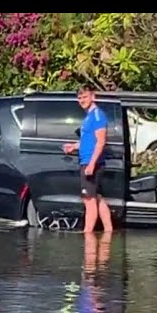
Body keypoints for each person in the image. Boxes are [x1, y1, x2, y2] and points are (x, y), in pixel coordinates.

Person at [63, 85, 113, 233]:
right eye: (79, 98)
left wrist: (91, 164)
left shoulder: (98, 115)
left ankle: (88, 235)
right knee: (96, 197)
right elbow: (88, 141)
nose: (82, 100)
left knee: (88, 200)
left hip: (91, 163)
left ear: (93, 96)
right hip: (86, 160)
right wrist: (74, 146)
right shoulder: (89, 117)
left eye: (85, 97)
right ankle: (109, 230)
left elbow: (101, 141)